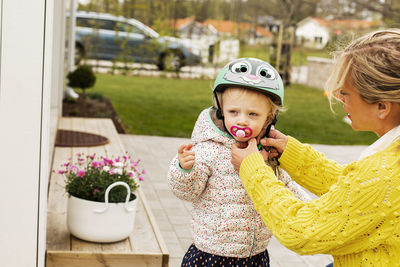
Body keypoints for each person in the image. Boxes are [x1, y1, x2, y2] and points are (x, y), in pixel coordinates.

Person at [231, 29, 400, 266]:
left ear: (382, 106)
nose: (339, 98)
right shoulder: (389, 163)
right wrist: (292, 154)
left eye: (346, 92)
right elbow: (359, 197)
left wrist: (252, 170)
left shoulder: (383, 172)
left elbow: (302, 231)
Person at [167, 58, 311, 266]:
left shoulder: (268, 153)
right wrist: (185, 169)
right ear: (221, 111)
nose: (241, 120)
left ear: (269, 117)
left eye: (253, 114)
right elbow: (188, 192)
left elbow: (286, 186)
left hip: (255, 255)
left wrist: (313, 209)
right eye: (233, 112)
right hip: (211, 255)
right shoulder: (209, 150)